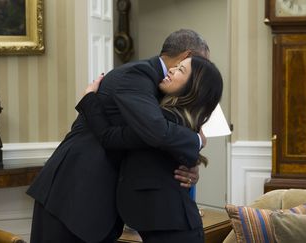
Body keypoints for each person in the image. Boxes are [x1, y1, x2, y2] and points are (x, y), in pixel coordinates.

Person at [27, 29, 210, 243]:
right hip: (71, 195)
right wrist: (197, 141)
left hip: (100, 204)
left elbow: (143, 140)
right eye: (201, 65)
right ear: (186, 57)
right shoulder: (136, 75)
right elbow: (156, 131)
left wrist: (189, 165)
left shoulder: (164, 89)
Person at [78, 56, 223, 243]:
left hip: (173, 231)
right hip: (171, 227)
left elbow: (110, 137)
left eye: (181, 70)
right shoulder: (181, 121)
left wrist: (89, 98)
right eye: (176, 66)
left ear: (194, 87)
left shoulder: (165, 120)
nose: (171, 69)